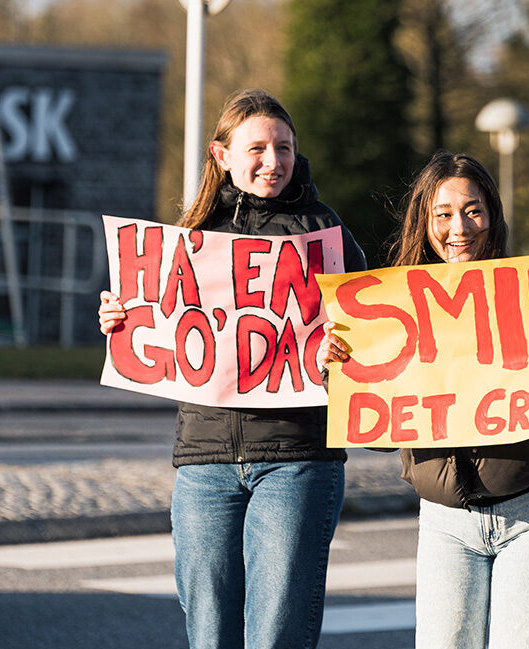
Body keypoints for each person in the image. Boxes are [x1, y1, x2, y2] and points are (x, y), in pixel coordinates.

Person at [317, 150, 529, 649]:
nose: (460, 226)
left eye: (473, 210)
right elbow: (379, 438)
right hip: (445, 524)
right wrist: (343, 373)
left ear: (493, 217)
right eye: (444, 213)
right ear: (425, 221)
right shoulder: (396, 310)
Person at [98, 88, 367, 649]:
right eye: (258, 148)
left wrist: (340, 353)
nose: (274, 161)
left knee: (275, 635)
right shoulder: (190, 235)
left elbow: (369, 337)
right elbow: (161, 320)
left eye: (285, 148)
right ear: (221, 155)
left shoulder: (327, 236)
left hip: (297, 459)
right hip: (205, 463)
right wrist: (120, 316)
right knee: (209, 634)